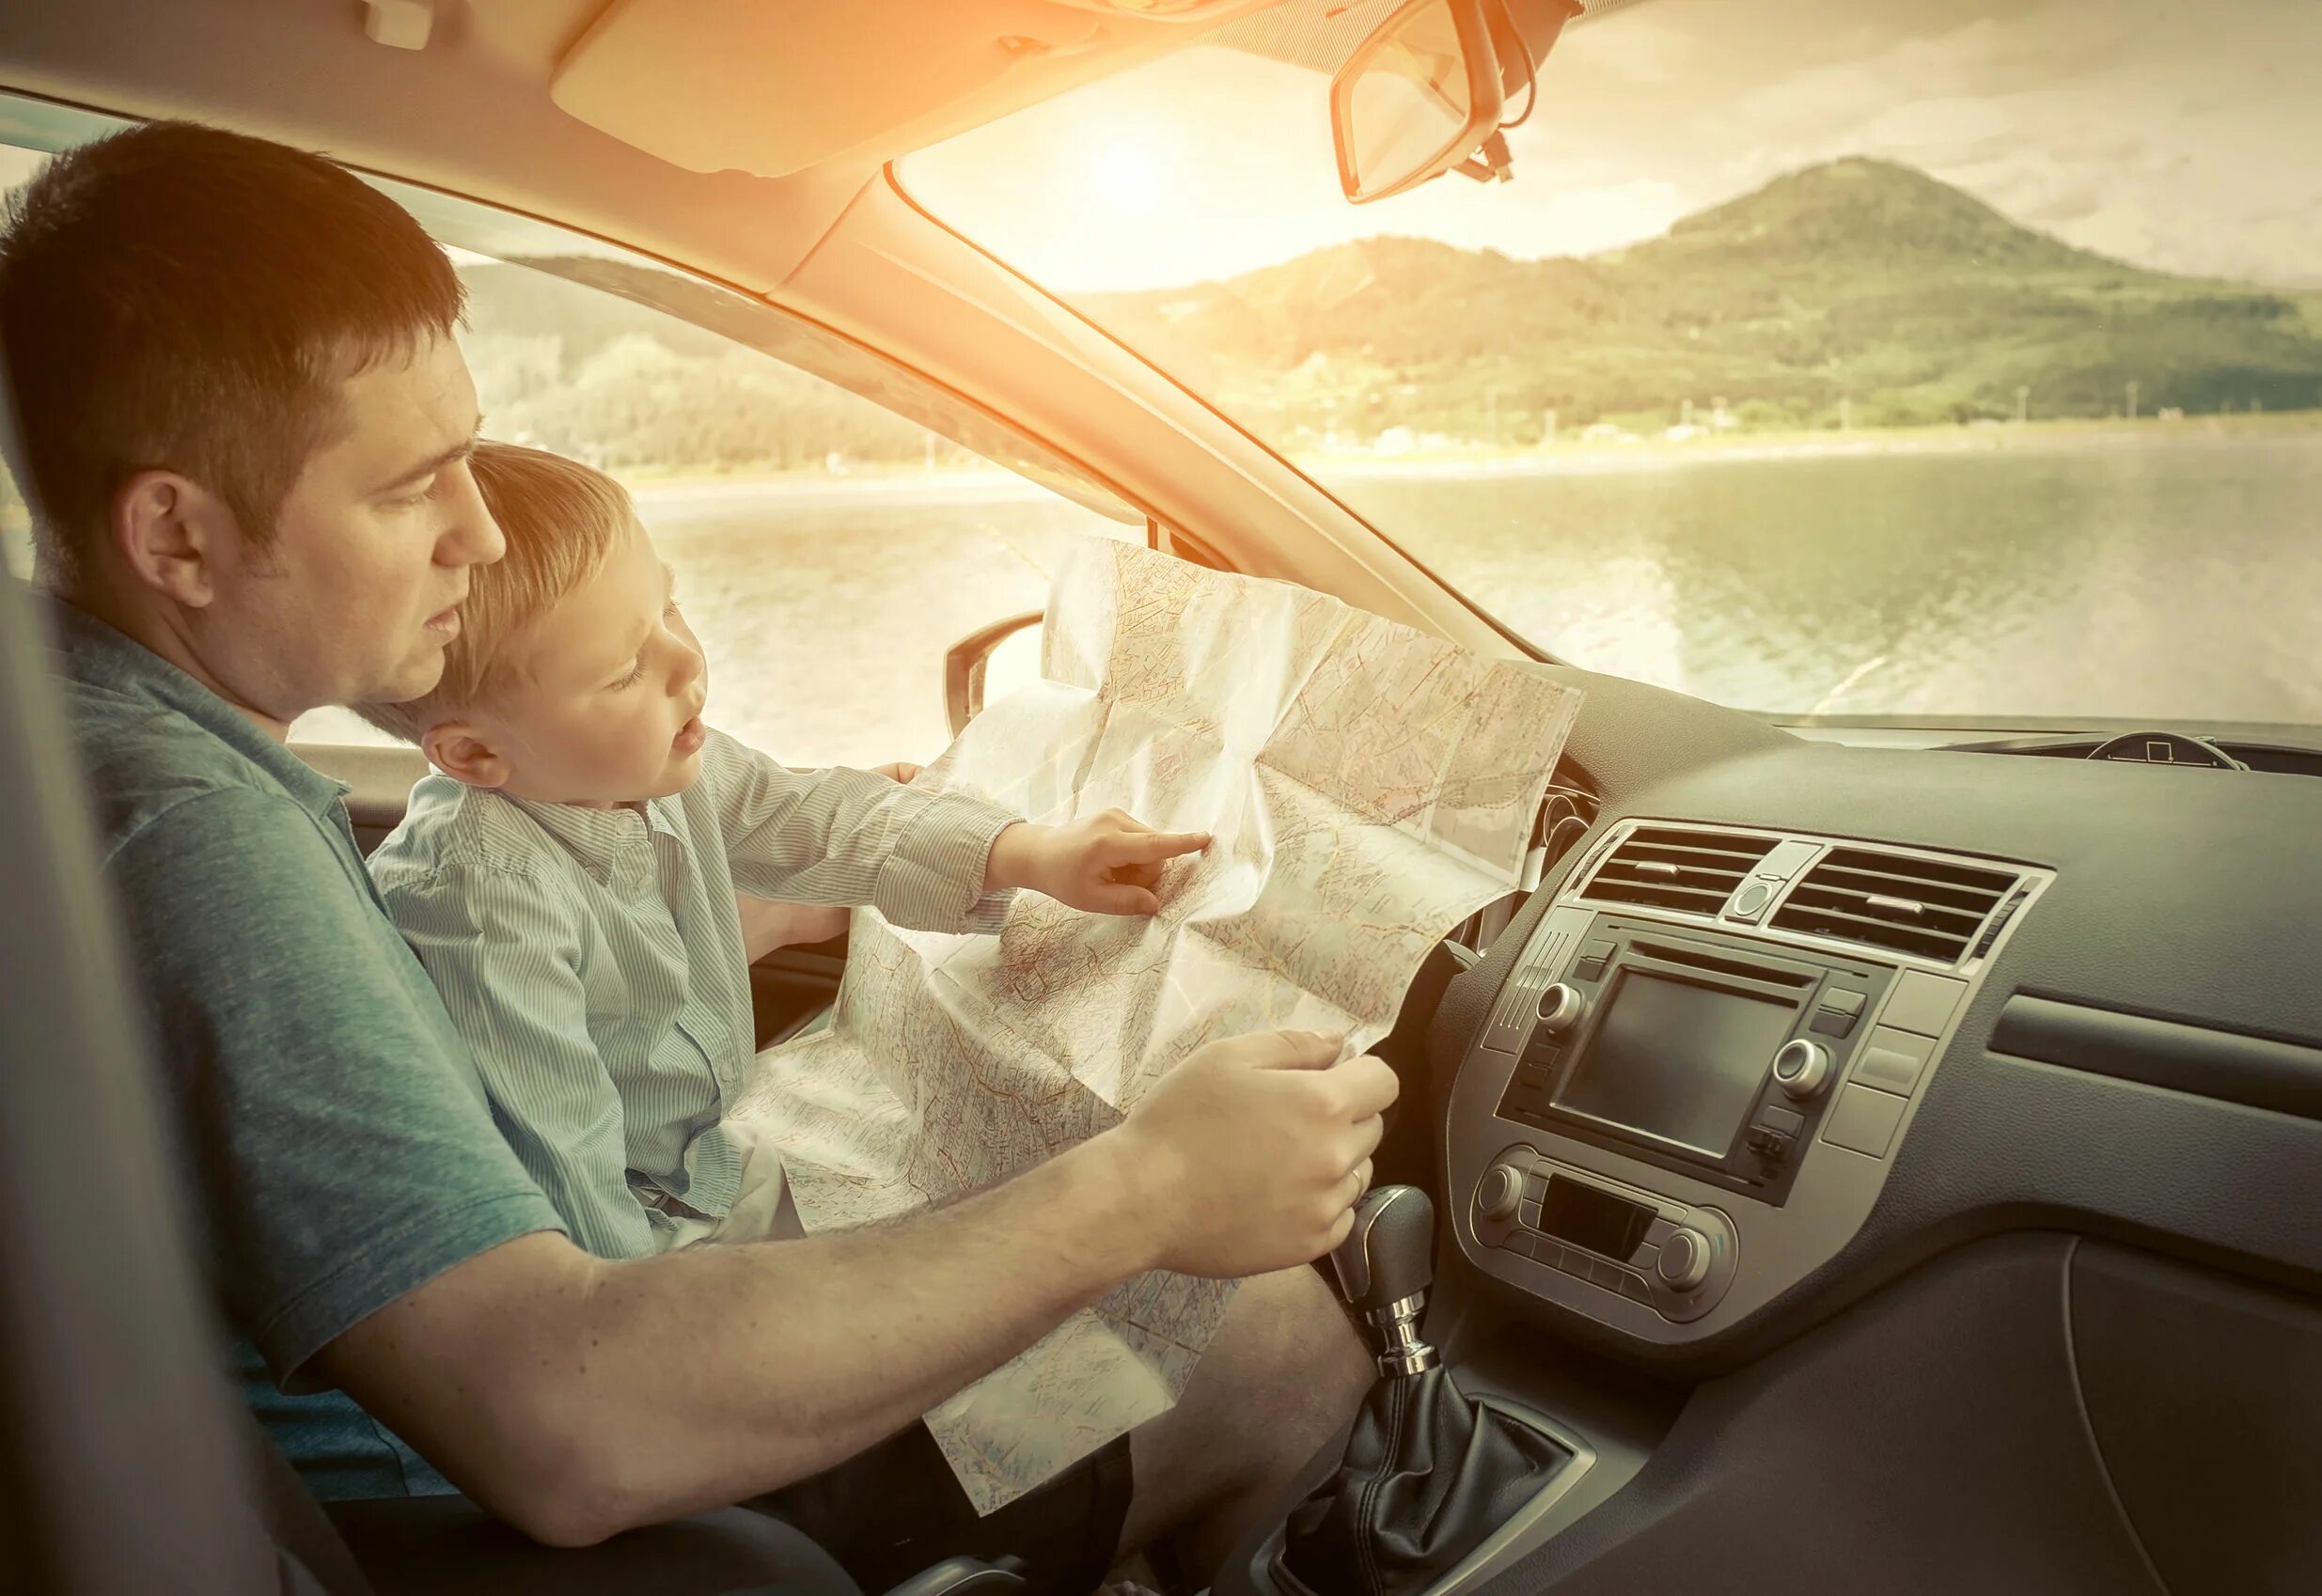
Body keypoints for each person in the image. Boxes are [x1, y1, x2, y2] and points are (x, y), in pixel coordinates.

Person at [1, 120, 1388, 1593]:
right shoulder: (192, 834)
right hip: (478, 1508)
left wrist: (862, 891)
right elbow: (564, 1419)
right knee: (1260, 1340)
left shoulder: (100, 742)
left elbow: (791, 813)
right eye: (413, 488)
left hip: (497, 1421)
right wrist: (1148, 1190)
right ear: (180, 538)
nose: (474, 534)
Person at [353, 439, 1211, 1262]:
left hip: (713, 1161)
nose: (687, 662)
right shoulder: (480, 905)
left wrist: (1031, 854)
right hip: (644, 1233)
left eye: (669, 609)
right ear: (473, 756)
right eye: (622, 672)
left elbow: (817, 817)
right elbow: (562, 1171)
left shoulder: (659, 765)